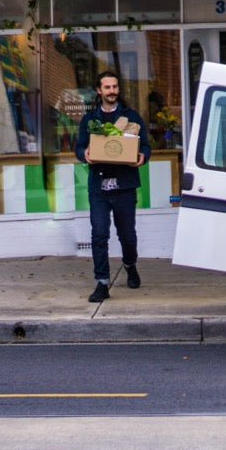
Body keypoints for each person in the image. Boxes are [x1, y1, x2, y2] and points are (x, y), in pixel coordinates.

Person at [75, 70, 151, 302]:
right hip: (99, 187)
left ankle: (130, 264)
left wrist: (142, 156)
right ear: (99, 90)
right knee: (99, 235)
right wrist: (84, 154)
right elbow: (79, 147)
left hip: (125, 186)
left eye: (115, 87)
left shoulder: (132, 117)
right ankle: (102, 283)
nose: (112, 91)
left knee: (127, 235)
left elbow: (146, 146)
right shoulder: (90, 120)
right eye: (107, 87)